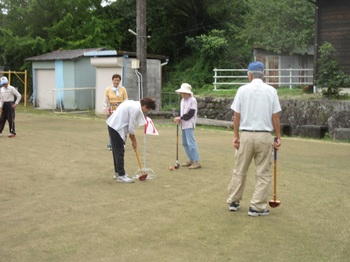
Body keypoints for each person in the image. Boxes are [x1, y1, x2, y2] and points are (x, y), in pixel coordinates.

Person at [227, 61, 282, 217]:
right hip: (264, 136)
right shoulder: (271, 91)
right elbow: (275, 116)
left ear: (249, 75)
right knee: (263, 172)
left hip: (246, 134)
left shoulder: (242, 90)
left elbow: (236, 115)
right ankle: (256, 207)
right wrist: (278, 137)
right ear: (263, 75)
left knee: (239, 169)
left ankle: (234, 201)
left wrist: (236, 136)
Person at [106, 97, 156, 183]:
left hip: (113, 125)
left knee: (116, 150)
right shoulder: (135, 108)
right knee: (119, 151)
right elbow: (131, 127)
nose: (146, 111)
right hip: (116, 127)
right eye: (148, 109)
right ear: (144, 106)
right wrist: (134, 140)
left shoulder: (133, 103)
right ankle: (121, 175)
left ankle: (118, 173)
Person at [173, 83, 201, 169]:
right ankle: (191, 159)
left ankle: (196, 161)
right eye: (182, 93)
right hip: (183, 125)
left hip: (189, 124)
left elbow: (191, 114)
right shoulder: (182, 100)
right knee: (185, 143)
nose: (182, 94)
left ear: (188, 93)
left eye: (184, 93)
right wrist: (178, 118)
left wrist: (180, 118)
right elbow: (181, 112)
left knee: (191, 143)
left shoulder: (193, 100)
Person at [103, 74, 128, 150]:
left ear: (120, 81)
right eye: (115, 80)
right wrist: (106, 110)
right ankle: (111, 143)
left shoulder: (123, 89)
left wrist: (124, 110)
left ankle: (122, 142)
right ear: (112, 80)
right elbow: (105, 101)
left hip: (120, 110)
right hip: (111, 110)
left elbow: (126, 100)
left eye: (118, 80)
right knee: (111, 126)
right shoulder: (108, 89)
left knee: (121, 126)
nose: (116, 82)